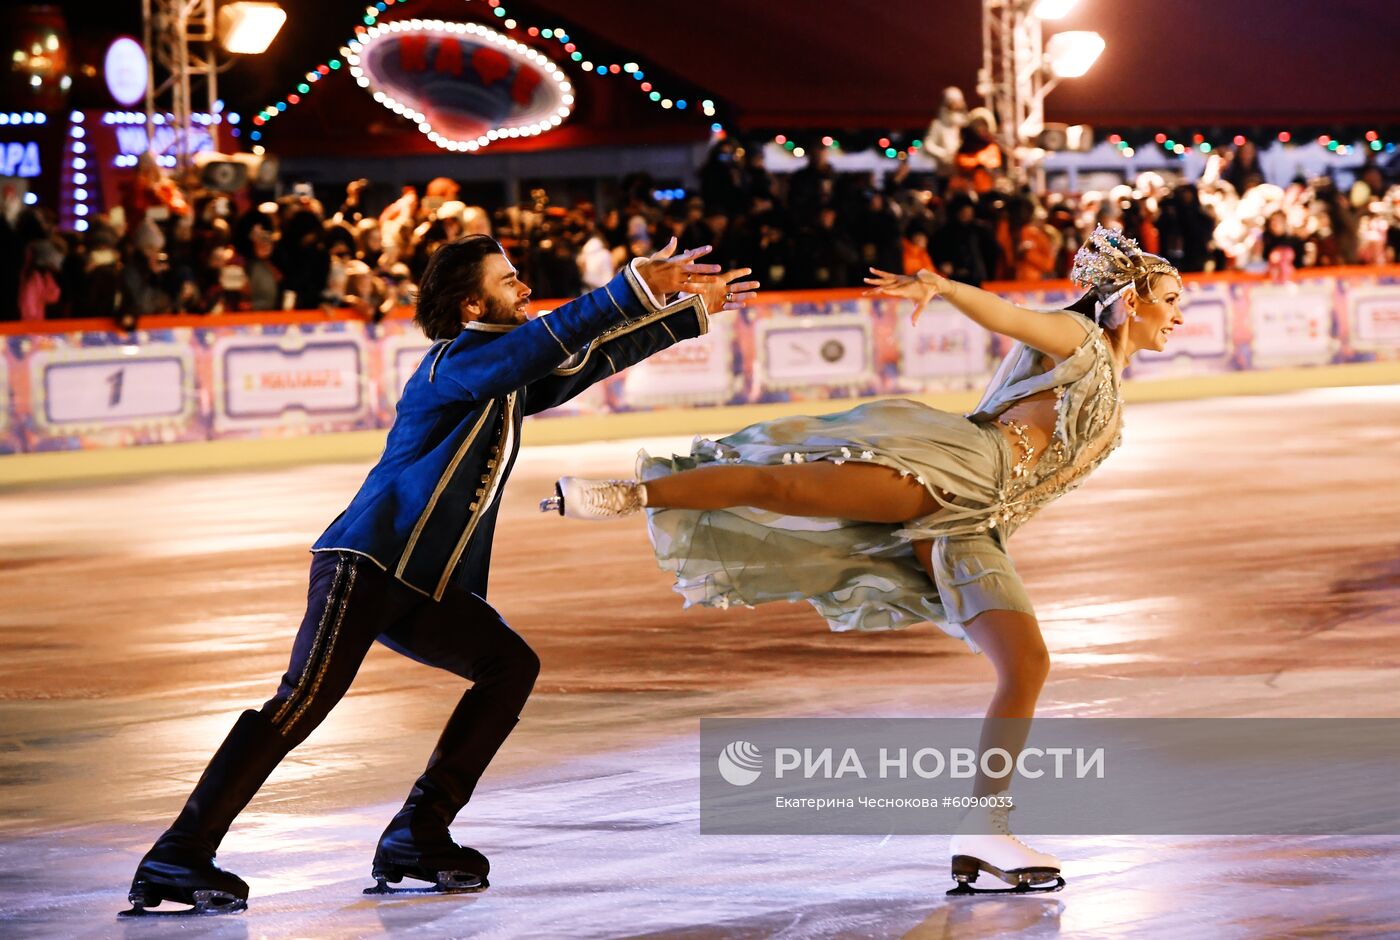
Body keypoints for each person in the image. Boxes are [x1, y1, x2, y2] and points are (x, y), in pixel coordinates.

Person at [122, 235, 759, 916]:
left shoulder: (503, 375)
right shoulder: (453, 365)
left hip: (421, 585)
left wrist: (688, 312)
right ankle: (180, 851)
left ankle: (416, 834)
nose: (523, 287)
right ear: (471, 303)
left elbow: (590, 355)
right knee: (301, 703)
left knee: (508, 665)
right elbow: (546, 340)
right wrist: (632, 284)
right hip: (364, 565)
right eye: (508, 280)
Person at [541, 226, 1184, 895]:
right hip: (956, 466)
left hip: (977, 521)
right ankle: (622, 494)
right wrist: (943, 286)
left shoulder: (1111, 379)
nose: (1178, 315)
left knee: (1025, 662)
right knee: (791, 485)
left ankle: (981, 826)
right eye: (1169, 299)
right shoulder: (1081, 343)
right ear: (1131, 303)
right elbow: (1013, 316)